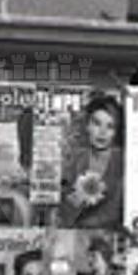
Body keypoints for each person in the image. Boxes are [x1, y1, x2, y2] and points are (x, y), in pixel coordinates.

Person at [57, 93, 124, 230]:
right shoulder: (76, 160)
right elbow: (64, 215)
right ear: (87, 126)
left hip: (111, 238)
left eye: (110, 126)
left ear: (116, 132)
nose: (102, 132)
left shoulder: (124, 162)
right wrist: (78, 197)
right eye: (97, 123)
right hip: (77, 238)